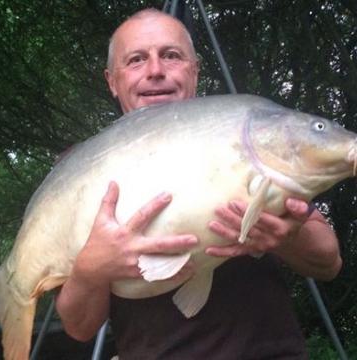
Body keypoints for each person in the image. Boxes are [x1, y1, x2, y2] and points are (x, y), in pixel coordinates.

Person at [55, 9, 342, 359]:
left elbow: (329, 262)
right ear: (112, 80)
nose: (156, 70)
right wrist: (89, 270)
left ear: (194, 70)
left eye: (171, 55)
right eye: (136, 60)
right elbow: (79, 327)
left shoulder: (243, 133)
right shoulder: (79, 168)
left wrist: (287, 238)